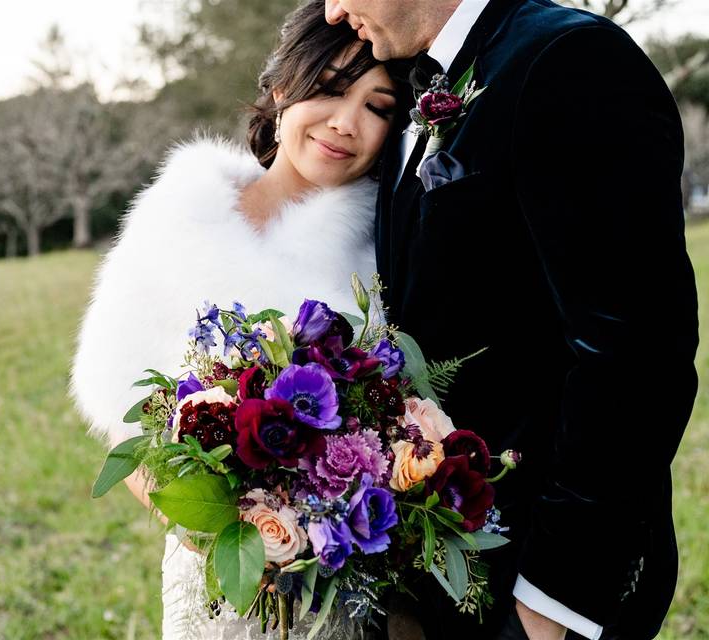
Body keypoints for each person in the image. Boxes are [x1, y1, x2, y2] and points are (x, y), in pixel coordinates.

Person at [323, 0, 700, 639]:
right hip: (449, 565)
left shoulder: (570, 60)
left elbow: (636, 351)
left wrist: (556, 595)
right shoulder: (429, 79)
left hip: (540, 574)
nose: (332, 10)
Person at [69, 2, 404, 637]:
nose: (346, 123)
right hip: (217, 579)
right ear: (281, 90)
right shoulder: (181, 215)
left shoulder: (383, 258)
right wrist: (213, 525)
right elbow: (122, 412)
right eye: (330, 89)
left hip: (345, 590)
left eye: (377, 107)